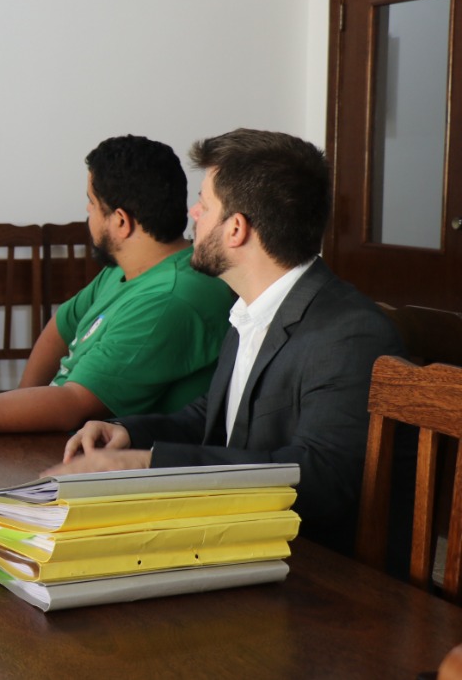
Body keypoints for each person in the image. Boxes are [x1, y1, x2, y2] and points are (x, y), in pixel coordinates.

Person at [48, 129, 402, 552]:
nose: (192, 213)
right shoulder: (250, 308)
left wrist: (151, 463)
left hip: (314, 570)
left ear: (236, 229)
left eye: (205, 203)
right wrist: (126, 432)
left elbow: (323, 478)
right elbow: (212, 419)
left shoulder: (348, 333)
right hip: (243, 538)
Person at [0, 135, 235, 442]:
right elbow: (60, 328)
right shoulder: (128, 268)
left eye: (91, 206)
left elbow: (73, 403)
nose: (86, 216)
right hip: (63, 438)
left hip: (117, 466)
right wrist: (21, 404)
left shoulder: (168, 299)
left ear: (120, 221)